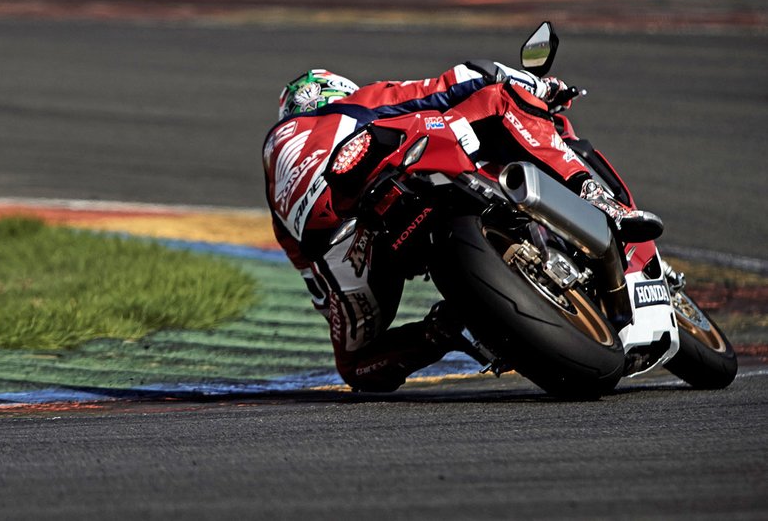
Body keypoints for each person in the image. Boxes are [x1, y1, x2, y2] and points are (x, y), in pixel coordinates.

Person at [262, 63, 661, 392]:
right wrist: (541, 85)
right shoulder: (353, 104)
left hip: (343, 243)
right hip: (393, 168)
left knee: (355, 366)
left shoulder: (275, 182)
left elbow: (315, 279)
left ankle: (441, 331)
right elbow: (458, 78)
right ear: (333, 92)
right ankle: (596, 197)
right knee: (501, 99)